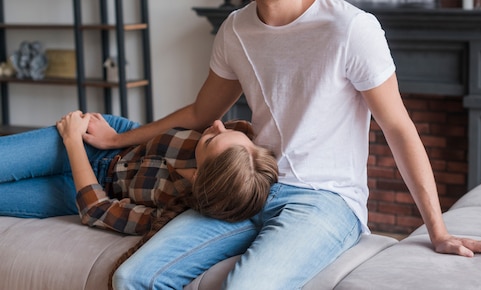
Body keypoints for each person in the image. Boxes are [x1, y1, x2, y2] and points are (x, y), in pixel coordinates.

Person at [87, 0, 481, 290]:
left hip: (326, 202)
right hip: (253, 187)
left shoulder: (350, 28)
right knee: (132, 277)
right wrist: (118, 139)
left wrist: (436, 230)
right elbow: (202, 112)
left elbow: (399, 129)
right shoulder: (235, 31)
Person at [0, 111, 278, 234]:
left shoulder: (170, 213)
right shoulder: (224, 145)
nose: (217, 124)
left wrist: (72, 141)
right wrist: (117, 137)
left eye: (210, 141)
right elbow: (154, 131)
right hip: (103, 144)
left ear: (197, 177)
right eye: (228, 132)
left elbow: (97, 210)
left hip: (85, 187)